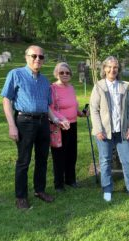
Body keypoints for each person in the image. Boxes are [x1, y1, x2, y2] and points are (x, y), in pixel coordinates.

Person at [1, 45, 65, 209]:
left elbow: (47, 106)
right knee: (24, 160)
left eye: (41, 57)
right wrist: (11, 125)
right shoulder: (15, 74)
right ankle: (21, 196)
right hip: (24, 122)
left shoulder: (44, 81)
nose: (37, 59)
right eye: (34, 56)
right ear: (26, 57)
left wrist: (56, 120)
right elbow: (7, 100)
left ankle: (40, 190)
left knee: (42, 159)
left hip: (43, 122)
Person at [90, 56, 129, 202]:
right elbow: (94, 109)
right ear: (104, 68)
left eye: (115, 67)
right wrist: (98, 129)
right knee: (105, 160)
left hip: (123, 131)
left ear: (118, 70)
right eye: (109, 67)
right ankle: (107, 188)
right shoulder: (99, 86)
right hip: (104, 132)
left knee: (127, 161)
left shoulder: (124, 87)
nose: (112, 70)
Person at [50, 62, 85, 192]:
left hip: (73, 124)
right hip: (59, 126)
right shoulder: (52, 88)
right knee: (59, 155)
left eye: (67, 72)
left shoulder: (71, 88)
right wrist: (61, 119)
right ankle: (58, 184)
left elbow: (73, 105)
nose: (65, 75)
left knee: (72, 154)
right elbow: (50, 108)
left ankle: (70, 180)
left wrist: (81, 113)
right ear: (56, 74)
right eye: (61, 72)